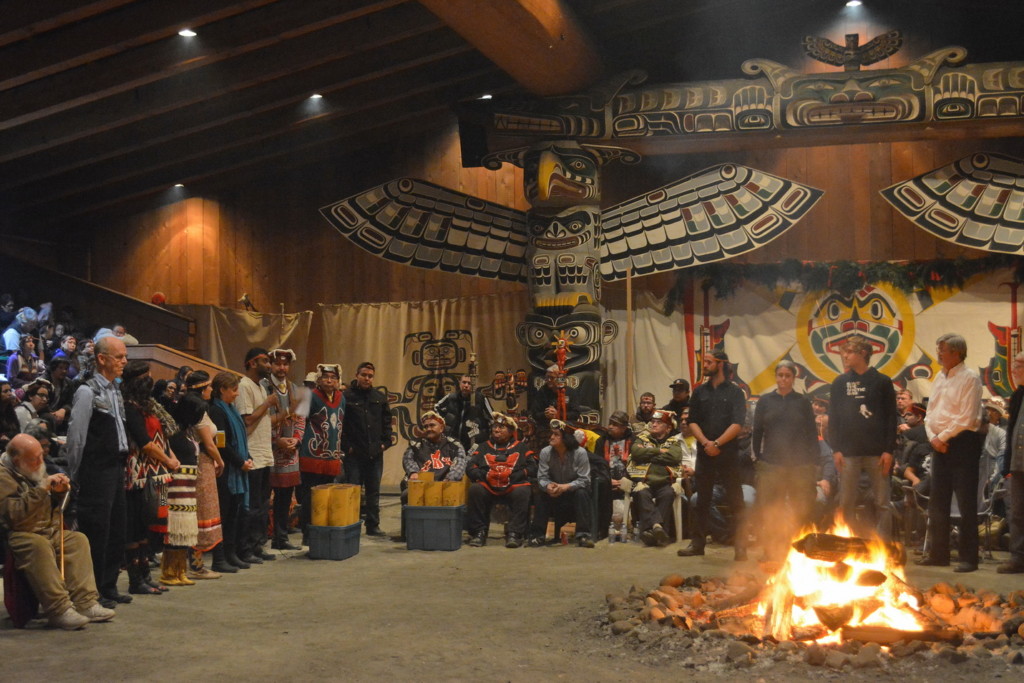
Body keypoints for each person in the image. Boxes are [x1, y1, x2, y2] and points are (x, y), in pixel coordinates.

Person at [0, 434, 116, 629]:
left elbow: (55, 506)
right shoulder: (3, 477)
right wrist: (42, 489)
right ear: (17, 460)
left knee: (77, 540)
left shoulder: (32, 467)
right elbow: (15, 516)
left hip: (48, 528)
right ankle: (58, 609)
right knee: (38, 545)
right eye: (34, 458)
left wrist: (60, 492)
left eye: (41, 456)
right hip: (21, 533)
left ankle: (85, 602)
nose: (40, 461)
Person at [63, 334, 131, 608]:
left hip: (116, 468)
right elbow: (76, 437)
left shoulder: (116, 391)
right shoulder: (86, 391)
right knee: (97, 530)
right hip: (95, 471)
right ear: (101, 359)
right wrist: (75, 473)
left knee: (116, 528)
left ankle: (108, 585)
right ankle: (91, 591)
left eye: (125, 356)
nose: (124, 361)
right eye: (119, 357)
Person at [918, 333, 983, 572]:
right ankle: (939, 553)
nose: (938, 355)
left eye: (942, 350)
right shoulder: (939, 377)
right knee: (938, 501)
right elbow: (929, 413)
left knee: (966, 503)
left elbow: (967, 416)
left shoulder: (970, 378)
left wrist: (942, 437)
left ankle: (968, 558)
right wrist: (933, 438)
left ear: (956, 352)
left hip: (962, 442)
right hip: (939, 443)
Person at [679, 349, 748, 560]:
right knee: (702, 500)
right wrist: (706, 443)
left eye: (709, 361)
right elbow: (692, 421)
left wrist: (717, 443)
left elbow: (738, 423)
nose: (705, 365)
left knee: (736, 500)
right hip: (705, 453)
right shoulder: (700, 392)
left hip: (727, 453)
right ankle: (697, 543)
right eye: (704, 361)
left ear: (721, 364)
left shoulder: (735, 392)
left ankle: (741, 546)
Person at [828, 335, 898, 541]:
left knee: (882, 502)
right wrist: (836, 449)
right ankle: (845, 542)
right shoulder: (840, 383)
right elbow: (834, 418)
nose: (845, 356)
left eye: (849, 352)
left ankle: (883, 546)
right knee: (845, 501)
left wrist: (889, 450)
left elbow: (891, 418)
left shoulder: (882, 381)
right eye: (844, 352)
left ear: (863, 353)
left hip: (877, 453)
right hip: (848, 452)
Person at [750, 360, 819, 561]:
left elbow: (811, 433)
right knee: (772, 509)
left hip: (799, 464)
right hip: (772, 464)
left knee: (801, 508)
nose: (783, 379)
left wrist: (813, 460)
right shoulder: (765, 401)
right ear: (776, 377)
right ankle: (771, 550)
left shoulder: (802, 402)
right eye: (780, 375)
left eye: (787, 376)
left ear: (793, 378)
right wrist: (758, 457)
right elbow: (757, 431)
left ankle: (802, 550)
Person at [120, 361, 179, 595]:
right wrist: (167, 460)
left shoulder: (148, 406)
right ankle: (136, 580)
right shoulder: (129, 407)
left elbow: (162, 437)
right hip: (139, 475)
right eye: (146, 376)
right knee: (136, 525)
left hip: (159, 475)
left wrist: (170, 458)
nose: (151, 379)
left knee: (151, 524)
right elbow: (145, 443)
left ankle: (146, 575)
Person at [465, 412, 535, 548]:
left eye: (501, 427)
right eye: (495, 427)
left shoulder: (520, 447)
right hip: (489, 486)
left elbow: (532, 467)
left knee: (523, 490)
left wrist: (517, 475)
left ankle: (515, 533)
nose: (496, 430)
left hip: (513, 485)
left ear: (510, 431)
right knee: (475, 489)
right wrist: (484, 475)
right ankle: (479, 532)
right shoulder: (484, 446)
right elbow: (470, 467)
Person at [208, 371, 255, 571]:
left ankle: (231, 553)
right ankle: (221, 558)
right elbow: (222, 443)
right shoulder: (216, 411)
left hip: (237, 467)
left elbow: (241, 439)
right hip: (226, 471)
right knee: (225, 515)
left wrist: (248, 456)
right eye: (234, 390)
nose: (237, 394)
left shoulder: (231, 409)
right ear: (222, 390)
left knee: (234, 515)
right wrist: (239, 462)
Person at [342, 362, 393, 537]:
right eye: (364, 375)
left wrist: (385, 443)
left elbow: (387, 423)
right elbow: (340, 425)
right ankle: (352, 525)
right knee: (353, 491)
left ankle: (373, 526)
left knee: (373, 491)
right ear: (357, 375)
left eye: (370, 376)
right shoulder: (346, 397)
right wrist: (346, 447)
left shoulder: (379, 397)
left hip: (375, 453)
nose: (367, 378)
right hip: (354, 454)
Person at [182, 371, 225, 579]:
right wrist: (220, 459)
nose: (210, 390)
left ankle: (194, 565)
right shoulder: (197, 409)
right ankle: (194, 566)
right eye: (208, 387)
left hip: (202, 463)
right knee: (199, 512)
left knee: (199, 511)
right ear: (201, 389)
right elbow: (208, 443)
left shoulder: (199, 408)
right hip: (200, 463)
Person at [297, 363, 345, 544]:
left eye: (333, 378)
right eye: (326, 377)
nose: (329, 381)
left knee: (326, 495)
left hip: (331, 454)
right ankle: (307, 534)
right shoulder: (309, 396)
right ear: (318, 379)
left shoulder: (342, 397)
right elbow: (299, 420)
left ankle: (322, 531)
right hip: (312, 453)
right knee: (310, 496)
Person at [236, 347, 277, 563]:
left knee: (262, 504)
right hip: (252, 453)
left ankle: (258, 544)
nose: (269, 365)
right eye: (265, 361)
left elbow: (262, 421)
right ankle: (245, 549)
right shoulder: (244, 386)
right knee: (250, 505)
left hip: (264, 453)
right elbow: (247, 420)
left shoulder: (261, 386)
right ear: (252, 363)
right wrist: (268, 404)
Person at [401, 411, 467, 539]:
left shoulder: (454, 444)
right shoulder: (416, 444)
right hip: (421, 484)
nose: (428, 429)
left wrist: (450, 478)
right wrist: (413, 473)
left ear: (441, 427)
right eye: (426, 426)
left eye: (432, 425)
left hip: (445, 484)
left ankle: (447, 534)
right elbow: (408, 459)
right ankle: (410, 534)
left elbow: (460, 462)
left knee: (453, 493)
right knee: (406, 494)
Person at [529, 419, 594, 548]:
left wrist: (565, 487)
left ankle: (583, 536)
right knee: (540, 494)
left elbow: (585, 480)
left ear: (567, 438)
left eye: (556, 434)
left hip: (573, 493)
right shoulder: (546, 452)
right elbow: (542, 477)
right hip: (554, 494)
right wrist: (548, 486)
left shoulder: (580, 453)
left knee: (582, 493)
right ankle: (538, 536)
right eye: (551, 434)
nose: (551, 437)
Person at [264, 349, 303, 551]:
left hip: (290, 452)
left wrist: (296, 440)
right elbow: (260, 420)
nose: (282, 368)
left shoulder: (296, 389)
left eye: (285, 364)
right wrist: (276, 440)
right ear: (270, 364)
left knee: (285, 497)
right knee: (263, 499)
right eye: (278, 364)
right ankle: (258, 541)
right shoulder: (263, 387)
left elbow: (302, 419)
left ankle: (281, 536)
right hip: (268, 451)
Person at [627, 409, 683, 547]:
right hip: (644, 482)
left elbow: (674, 457)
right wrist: (659, 451)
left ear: (668, 428)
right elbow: (636, 453)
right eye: (653, 421)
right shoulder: (642, 438)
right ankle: (658, 527)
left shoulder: (673, 442)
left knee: (668, 493)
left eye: (659, 422)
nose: (654, 424)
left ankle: (650, 532)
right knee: (641, 493)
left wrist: (648, 454)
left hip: (664, 483)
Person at [999, 352, 1024, 574]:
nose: (1014, 370)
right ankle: (1018, 559)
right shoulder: (1017, 396)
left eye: (1018, 366)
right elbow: (1011, 432)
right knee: (1017, 513)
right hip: (1018, 464)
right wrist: (1007, 465)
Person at [592, 411, 633, 539]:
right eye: (610, 423)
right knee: (599, 484)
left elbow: (636, 464)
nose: (610, 426)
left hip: (627, 478)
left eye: (615, 424)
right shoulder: (602, 440)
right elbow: (597, 464)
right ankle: (601, 529)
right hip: (607, 479)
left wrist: (624, 480)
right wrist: (608, 479)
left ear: (624, 427)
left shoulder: (633, 440)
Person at [434, 373, 493, 453]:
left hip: (474, 442)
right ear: (459, 383)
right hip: (453, 439)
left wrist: (486, 434)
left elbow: (493, 417)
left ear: (474, 385)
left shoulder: (481, 398)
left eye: (469, 383)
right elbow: (436, 407)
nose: (466, 385)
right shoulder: (451, 397)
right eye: (464, 382)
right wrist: (443, 423)